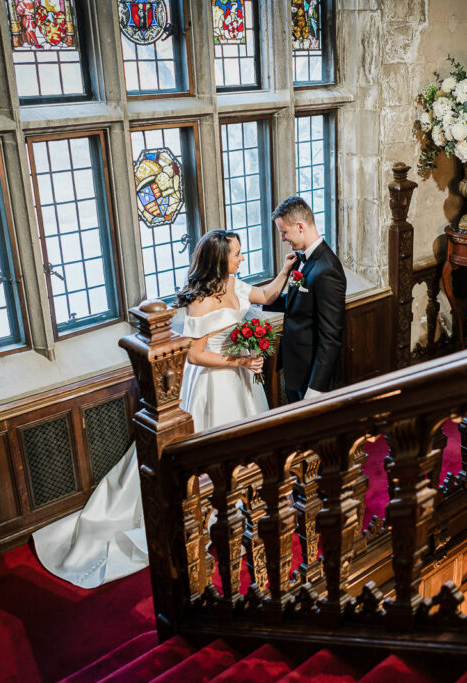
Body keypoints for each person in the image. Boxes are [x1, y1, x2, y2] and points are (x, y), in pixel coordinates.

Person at [32, 230, 296, 588]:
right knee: (212, 450)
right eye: (235, 254)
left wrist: (284, 270)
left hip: (243, 381)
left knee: (246, 442)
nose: (241, 259)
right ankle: (213, 511)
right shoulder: (200, 303)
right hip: (215, 384)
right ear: (219, 259)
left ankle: (243, 503)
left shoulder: (237, 283)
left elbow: (265, 295)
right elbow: (195, 354)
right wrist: (238, 362)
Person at [265, 196, 347, 403]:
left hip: (310, 375)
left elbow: (331, 337)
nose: (282, 238)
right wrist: (260, 301)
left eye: (284, 232)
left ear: (300, 226)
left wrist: (316, 389)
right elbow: (296, 304)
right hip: (295, 366)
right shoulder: (302, 260)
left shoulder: (327, 270)